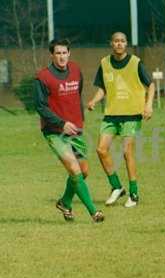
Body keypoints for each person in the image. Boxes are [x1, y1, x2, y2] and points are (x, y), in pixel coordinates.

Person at [34, 38, 104, 222]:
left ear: (69, 53)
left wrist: (79, 121)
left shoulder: (76, 70)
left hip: (75, 130)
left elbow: (76, 97)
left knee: (84, 171)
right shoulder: (43, 77)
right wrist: (61, 123)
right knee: (75, 170)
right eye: (58, 53)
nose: (62, 56)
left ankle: (65, 202)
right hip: (54, 132)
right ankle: (94, 212)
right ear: (52, 55)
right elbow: (40, 107)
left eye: (64, 52)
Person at [88, 32, 155, 208]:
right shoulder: (104, 63)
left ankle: (134, 193)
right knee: (101, 150)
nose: (119, 44)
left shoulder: (136, 63)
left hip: (132, 115)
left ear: (126, 44)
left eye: (122, 41)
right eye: (116, 41)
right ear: (111, 43)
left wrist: (148, 105)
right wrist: (94, 100)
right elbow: (103, 88)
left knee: (127, 153)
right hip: (111, 115)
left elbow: (151, 85)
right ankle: (117, 187)